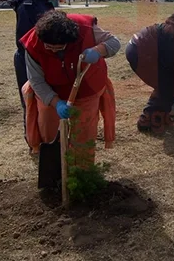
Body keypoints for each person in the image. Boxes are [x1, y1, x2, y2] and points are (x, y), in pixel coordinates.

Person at [20, 10, 120, 162]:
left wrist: (97, 51)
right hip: (51, 90)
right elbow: (37, 81)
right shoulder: (33, 43)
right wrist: (56, 102)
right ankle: (56, 169)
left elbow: (114, 43)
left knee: (84, 132)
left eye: (59, 48)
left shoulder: (85, 29)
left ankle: (81, 171)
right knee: (49, 129)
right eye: (49, 47)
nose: (53, 51)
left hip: (87, 87)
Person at [126, 5, 174, 132]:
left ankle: (161, 116)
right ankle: (147, 120)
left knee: (168, 86)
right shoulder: (173, 32)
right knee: (166, 87)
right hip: (140, 52)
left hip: (144, 51)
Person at [10, 0, 56, 136]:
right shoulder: (28, 3)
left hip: (42, 56)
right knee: (30, 102)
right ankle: (33, 141)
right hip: (28, 58)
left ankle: (46, 136)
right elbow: (25, 38)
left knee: (44, 101)